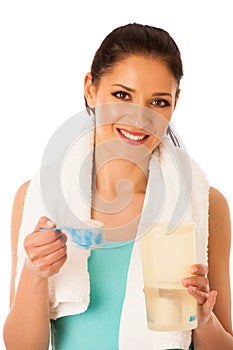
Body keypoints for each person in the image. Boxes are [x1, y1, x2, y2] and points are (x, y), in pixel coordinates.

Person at [3, 22, 233, 350]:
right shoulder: (38, 198)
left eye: (158, 102)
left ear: (175, 104)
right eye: (122, 95)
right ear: (90, 89)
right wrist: (36, 274)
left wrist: (203, 318)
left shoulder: (207, 205)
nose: (140, 119)